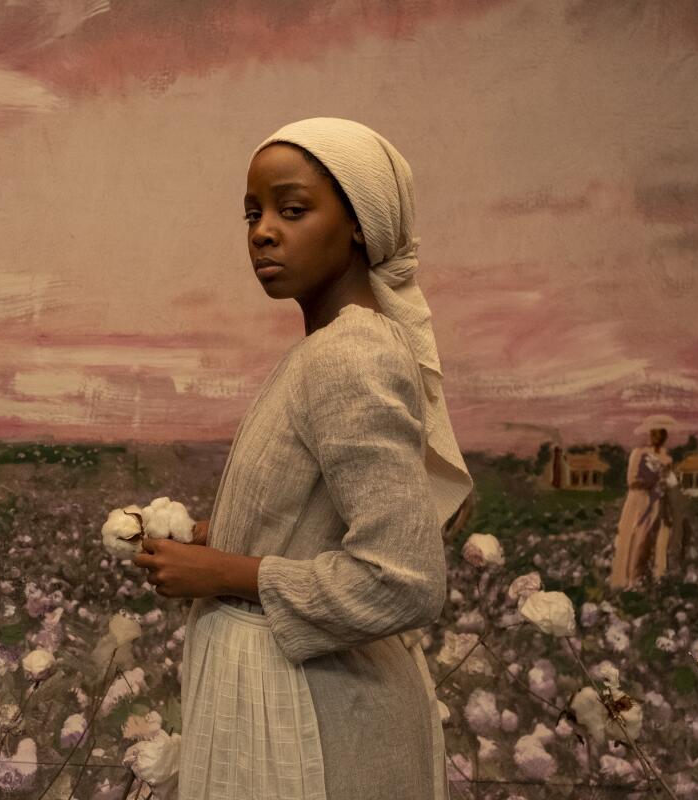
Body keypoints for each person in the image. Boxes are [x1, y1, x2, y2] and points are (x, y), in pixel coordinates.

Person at [132, 117, 474, 800]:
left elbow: (403, 579)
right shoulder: (323, 352)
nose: (262, 231)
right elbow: (319, 523)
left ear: (359, 225)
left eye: (292, 210)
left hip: (308, 719)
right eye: (253, 213)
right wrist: (221, 539)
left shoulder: (351, 355)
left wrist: (223, 570)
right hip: (279, 696)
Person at [608, 414, 684, 590]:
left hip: (659, 501)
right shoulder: (639, 453)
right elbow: (632, 480)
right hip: (640, 501)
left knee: (658, 539)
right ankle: (631, 579)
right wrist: (653, 481)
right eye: (655, 434)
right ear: (650, 435)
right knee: (638, 538)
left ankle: (653, 577)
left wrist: (666, 483)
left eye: (662, 434)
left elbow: (670, 479)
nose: (658, 437)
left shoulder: (667, 458)